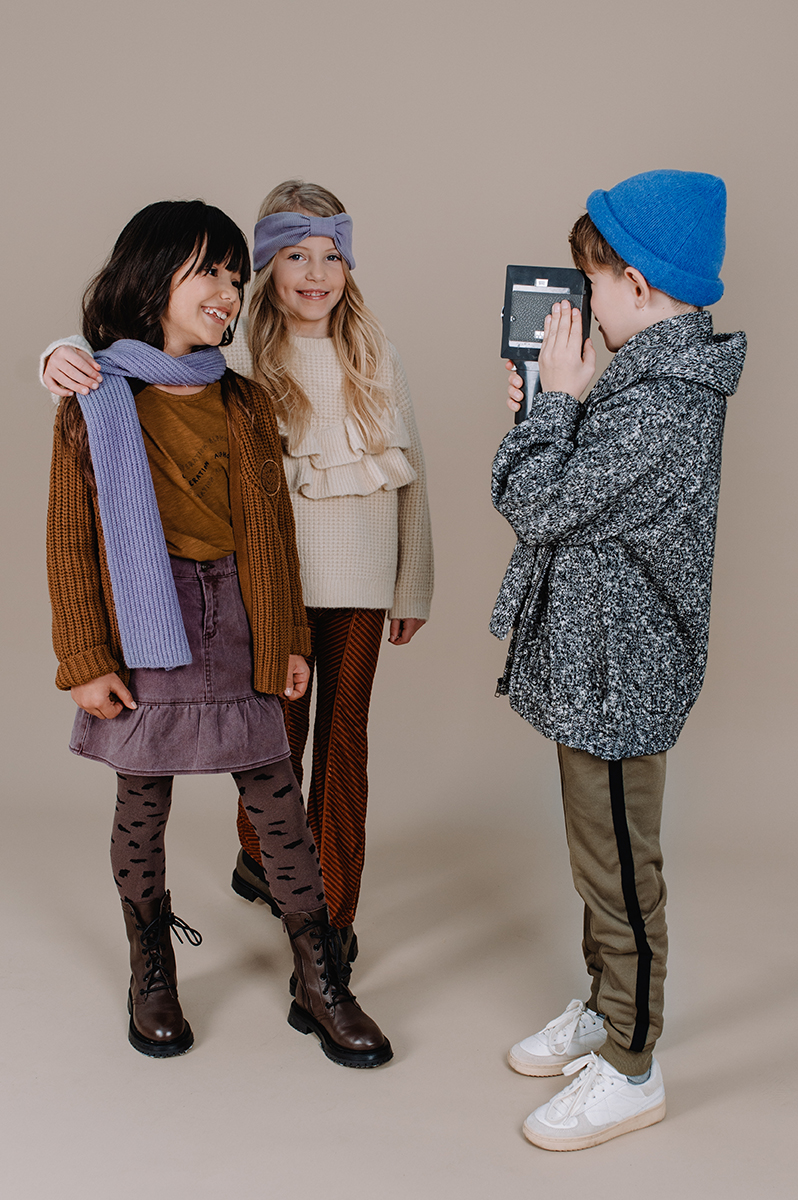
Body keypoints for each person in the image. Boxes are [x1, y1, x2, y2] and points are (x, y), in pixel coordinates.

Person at [42, 181, 433, 992]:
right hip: (232, 603)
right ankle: (210, 908)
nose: (314, 274)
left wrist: (407, 585)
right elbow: (124, 374)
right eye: (293, 257)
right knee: (235, 766)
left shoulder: (346, 362)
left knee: (324, 754)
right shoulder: (221, 358)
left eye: (331, 257)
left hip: (327, 586)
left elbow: (400, 480)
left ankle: (328, 934)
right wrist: (57, 355)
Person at [493, 170, 746, 1149]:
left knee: (622, 877)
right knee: (599, 859)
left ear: (635, 283)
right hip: (600, 664)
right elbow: (573, 494)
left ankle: (633, 1066)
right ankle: (608, 1009)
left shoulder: (663, 402)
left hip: (618, 676)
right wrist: (558, 406)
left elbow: (535, 504)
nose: (583, 303)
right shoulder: (647, 381)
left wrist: (552, 407)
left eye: (591, 282)